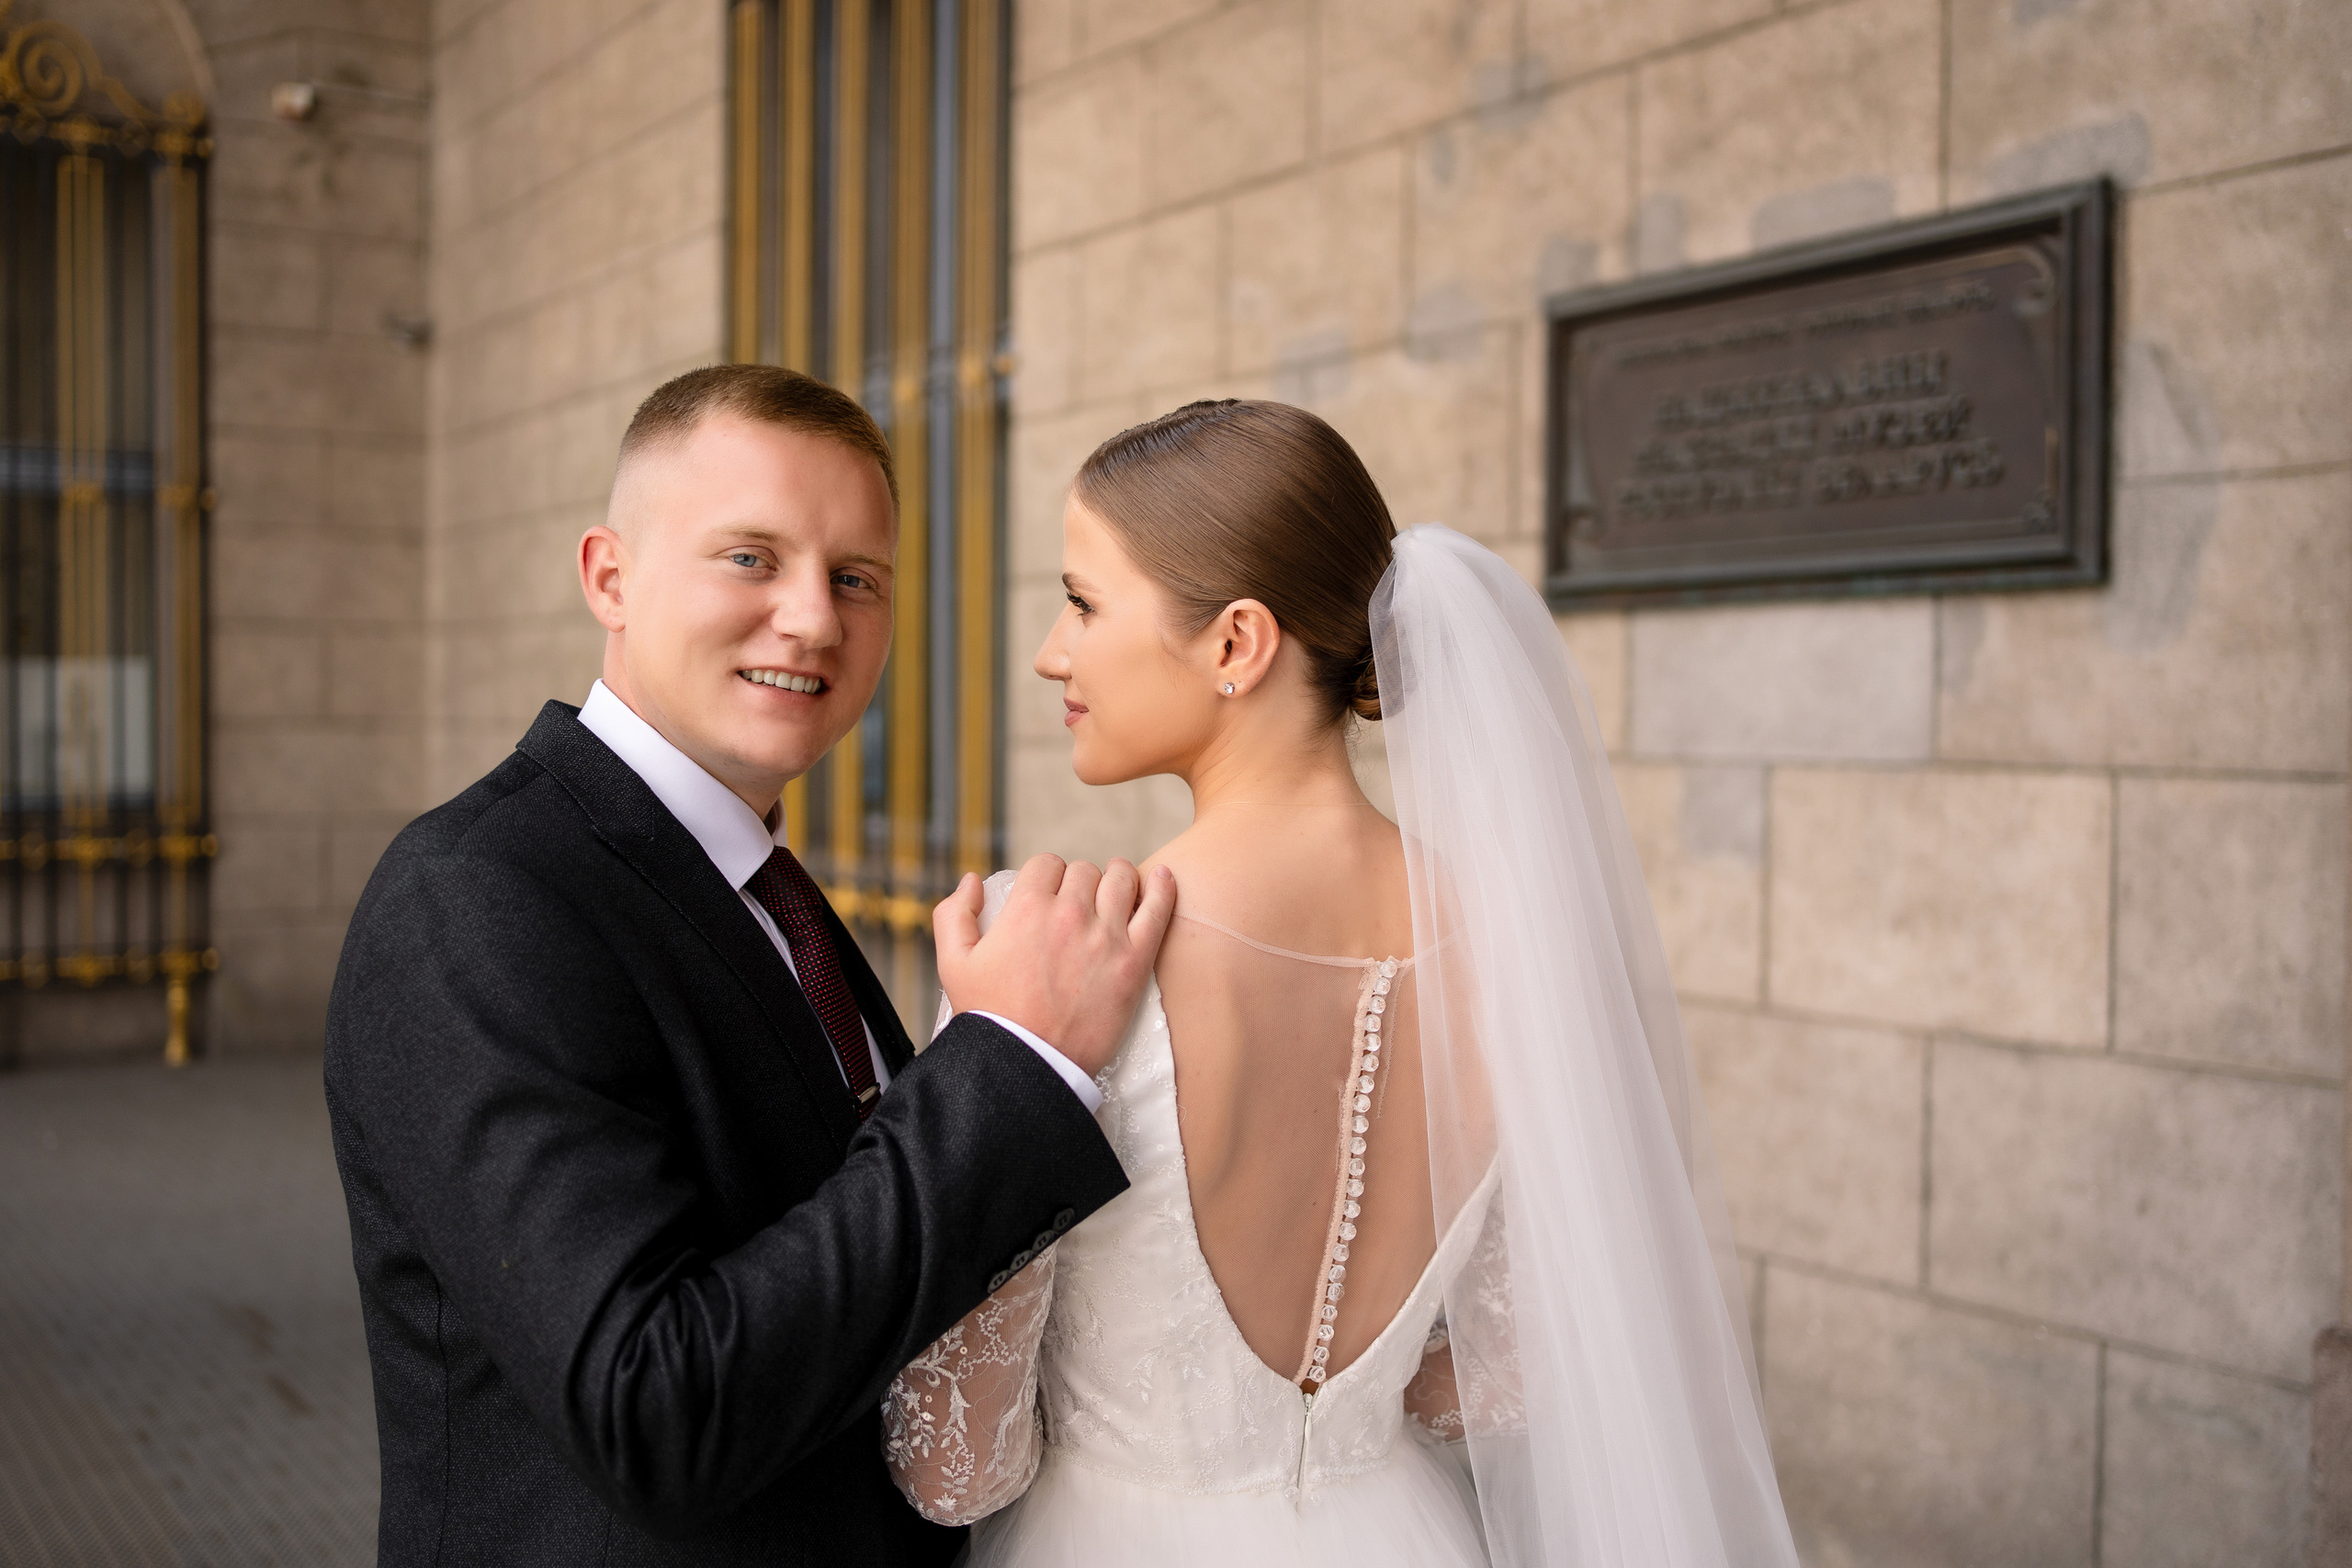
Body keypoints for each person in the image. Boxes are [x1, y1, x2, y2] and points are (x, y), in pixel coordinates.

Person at [880, 400, 1802, 1567]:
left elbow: (958, 1468)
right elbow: (1501, 1376)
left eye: (1081, 601)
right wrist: (1336, 1410)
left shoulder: (1052, 948)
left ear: (1235, 644)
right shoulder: (1513, 942)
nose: (1051, 652)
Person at [324, 364, 1174, 1566]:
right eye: (751, 558)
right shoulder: (478, 893)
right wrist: (1009, 1064)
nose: (814, 617)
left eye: (856, 577)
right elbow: (653, 1408)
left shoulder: (769, 891)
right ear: (608, 576)